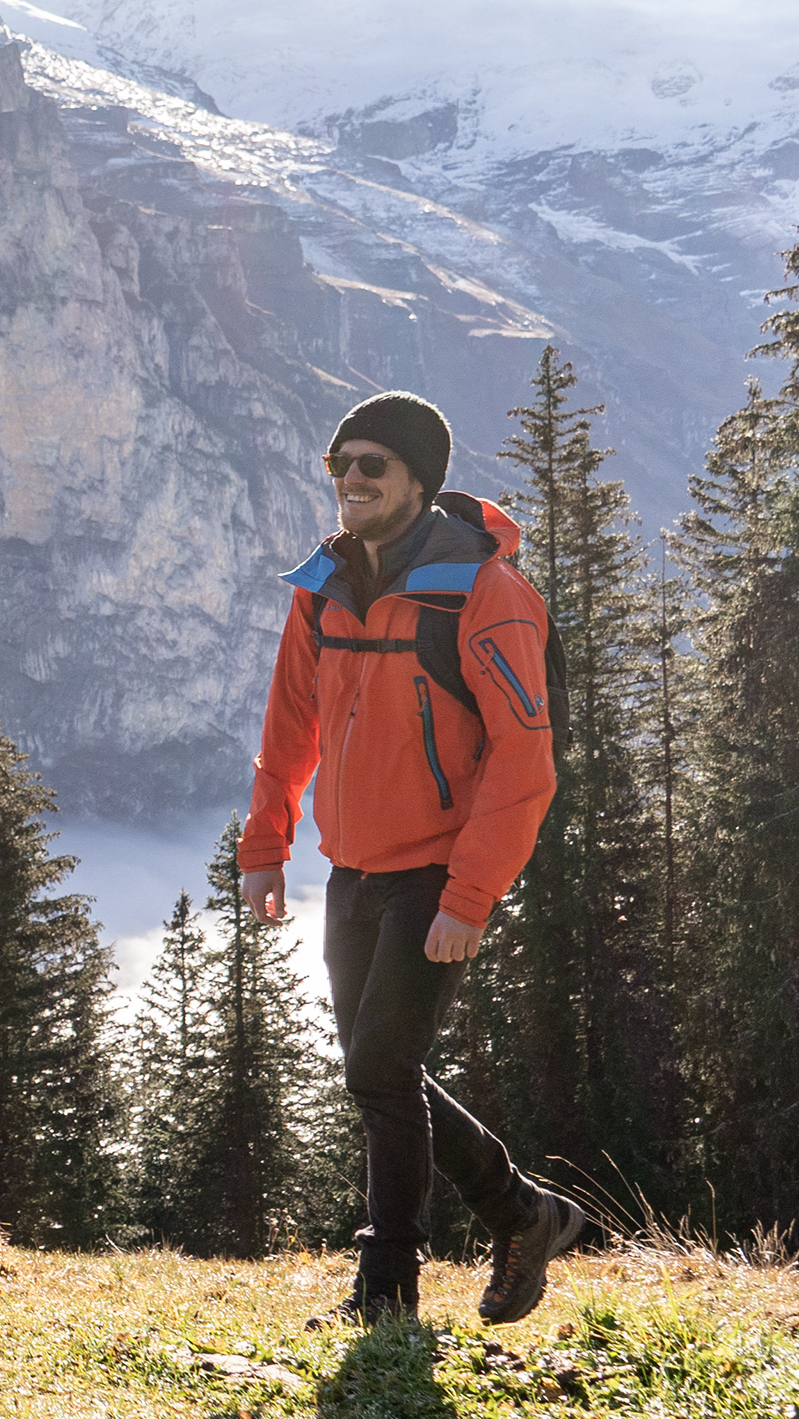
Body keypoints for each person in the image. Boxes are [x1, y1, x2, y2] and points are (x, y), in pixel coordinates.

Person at [238, 389, 592, 1327]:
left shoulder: (486, 593)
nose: (351, 480)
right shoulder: (324, 586)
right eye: (339, 464)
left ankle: (386, 1291)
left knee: (377, 1068)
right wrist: (267, 843)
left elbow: (525, 763)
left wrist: (469, 897)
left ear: (418, 482)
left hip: (438, 869)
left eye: (372, 466)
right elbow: (289, 727)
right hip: (350, 867)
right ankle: (524, 1212)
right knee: (380, 1067)